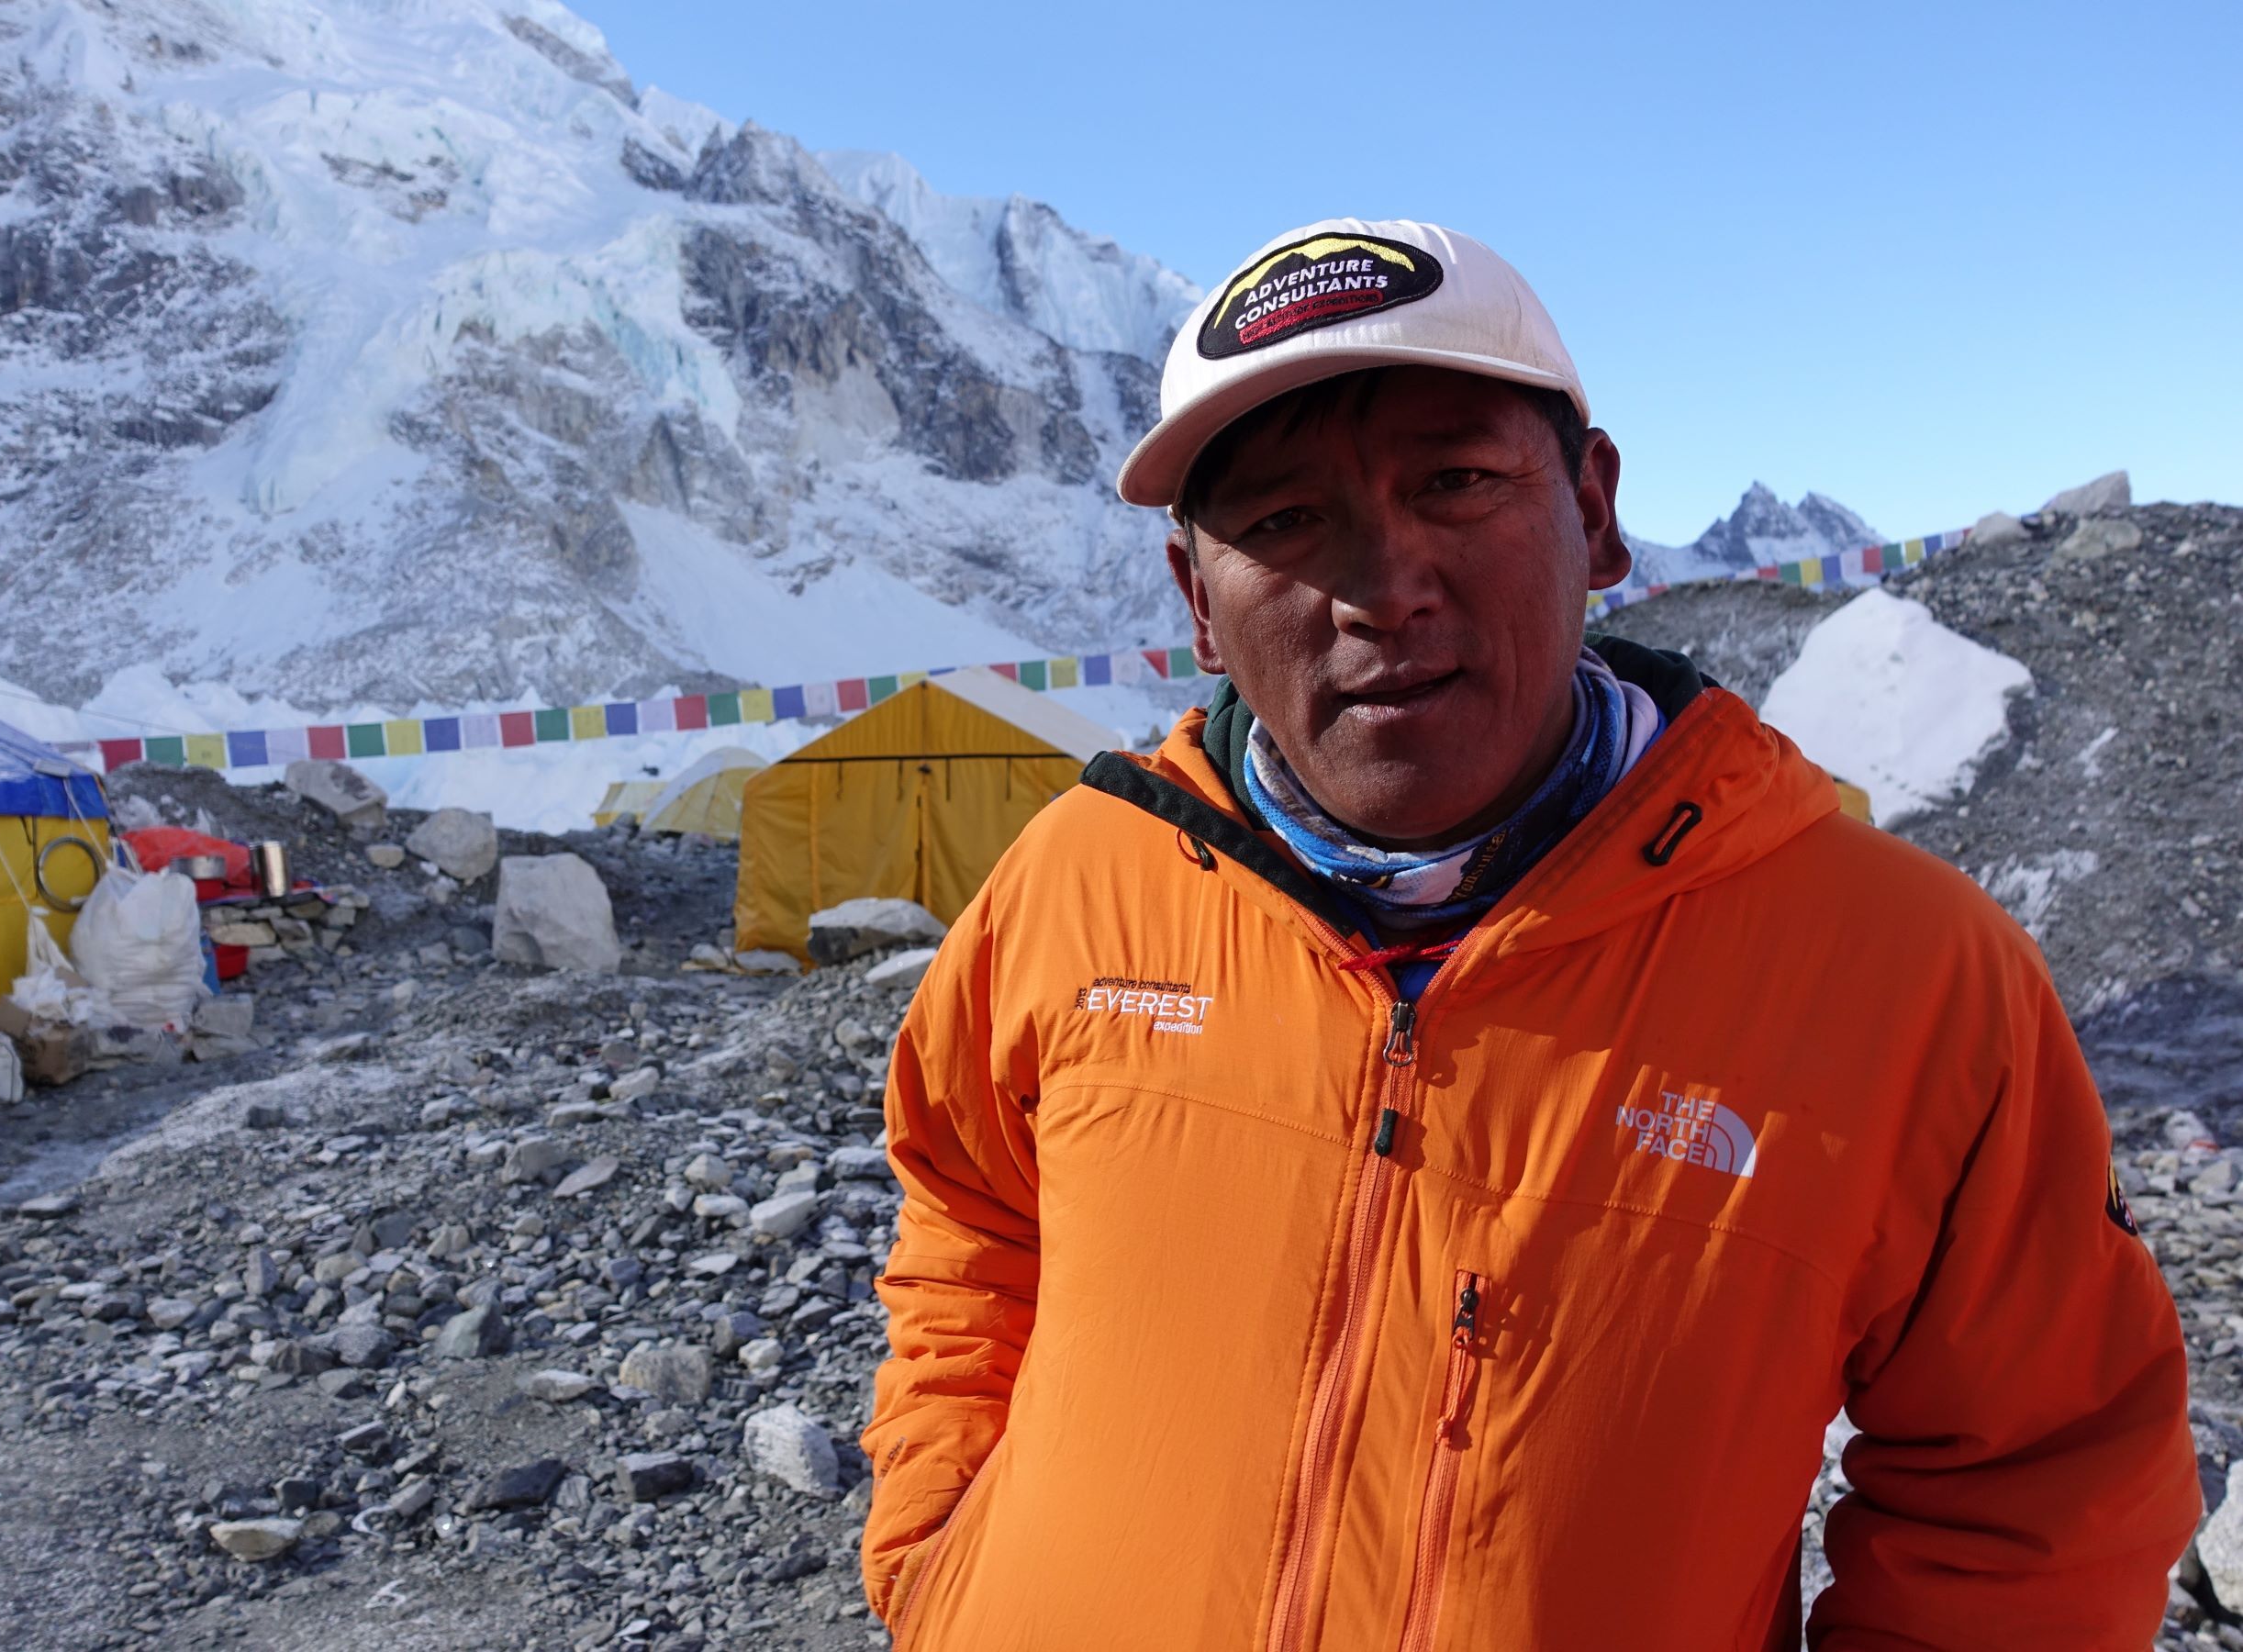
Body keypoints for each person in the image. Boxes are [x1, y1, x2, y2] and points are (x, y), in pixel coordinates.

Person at [857, 218, 2198, 1651]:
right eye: (1283, 522)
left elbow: (2034, 1485)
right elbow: (970, 1214)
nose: (1381, 587)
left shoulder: (1906, 973)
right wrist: (948, 1563)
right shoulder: (1081, 880)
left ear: (1596, 510)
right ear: (1196, 597)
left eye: (1456, 481)